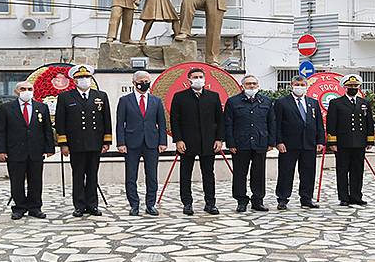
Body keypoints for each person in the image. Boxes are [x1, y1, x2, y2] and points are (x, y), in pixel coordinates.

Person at [55, 65, 112, 217]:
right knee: (78, 175)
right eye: (80, 78)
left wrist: (106, 141)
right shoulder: (65, 97)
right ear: (74, 81)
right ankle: (79, 205)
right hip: (76, 144)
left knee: (93, 175)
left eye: (86, 77)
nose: (84, 80)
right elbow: (60, 122)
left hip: (95, 143)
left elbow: (106, 120)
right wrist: (63, 144)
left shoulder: (101, 96)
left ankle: (92, 205)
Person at [0, 81, 55, 220]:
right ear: (17, 91)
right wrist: (1, 150)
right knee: (17, 181)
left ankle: (35, 207)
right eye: (23, 89)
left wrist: (49, 148)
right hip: (15, 151)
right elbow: (0, 131)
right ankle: (19, 207)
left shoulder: (42, 107)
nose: (27, 91)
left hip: (36, 151)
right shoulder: (6, 108)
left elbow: (47, 129)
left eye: (30, 88)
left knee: (36, 180)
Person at [170, 67, 224, 215]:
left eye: (201, 76)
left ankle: (210, 203)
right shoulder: (180, 97)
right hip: (187, 142)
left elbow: (220, 120)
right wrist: (178, 140)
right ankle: (187, 203)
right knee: (185, 174)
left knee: (208, 173)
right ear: (189, 79)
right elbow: (175, 120)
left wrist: (219, 139)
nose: (198, 79)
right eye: (195, 77)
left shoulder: (213, 96)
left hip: (208, 142)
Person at [116, 71, 167, 216]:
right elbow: (120, 123)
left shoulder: (156, 101)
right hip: (131, 143)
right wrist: (121, 143)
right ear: (134, 82)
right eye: (141, 80)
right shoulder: (125, 100)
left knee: (152, 175)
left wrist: (162, 142)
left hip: (151, 142)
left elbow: (161, 123)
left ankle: (151, 204)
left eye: (147, 80)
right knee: (131, 176)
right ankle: (134, 204)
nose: (144, 83)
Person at [224, 74, 275, 213]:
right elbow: (228, 124)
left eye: (254, 84)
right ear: (243, 86)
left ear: (258, 86)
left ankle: (258, 200)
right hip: (240, 143)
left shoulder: (266, 101)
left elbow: (271, 122)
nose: (251, 86)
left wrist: (271, 142)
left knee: (259, 173)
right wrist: (230, 143)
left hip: (260, 142)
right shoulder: (233, 102)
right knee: (240, 173)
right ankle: (241, 200)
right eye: (248, 84)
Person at [274, 75, 325, 210]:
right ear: (292, 85)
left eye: (302, 85)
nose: (300, 87)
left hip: (309, 144)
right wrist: (279, 142)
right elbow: (277, 124)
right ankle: (283, 199)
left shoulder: (313, 103)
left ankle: (306, 198)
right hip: (289, 145)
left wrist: (320, 140)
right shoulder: (282, 102)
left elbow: (318, 123)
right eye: (297, 85)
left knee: (308, 172)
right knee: (286, 172)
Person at [326, 74, 375, 206]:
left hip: (359, 143)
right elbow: (331, 123)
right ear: (344, 87)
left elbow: (369, 122)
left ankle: (356, 196)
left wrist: (369, 140)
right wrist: (332, 142)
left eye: (355, 86)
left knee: (358, 171)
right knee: (342, 171)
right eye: (350, 86)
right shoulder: (336, 103)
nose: (353, 88)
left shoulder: (364, 103)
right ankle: (344, 197)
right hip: (343, 143)